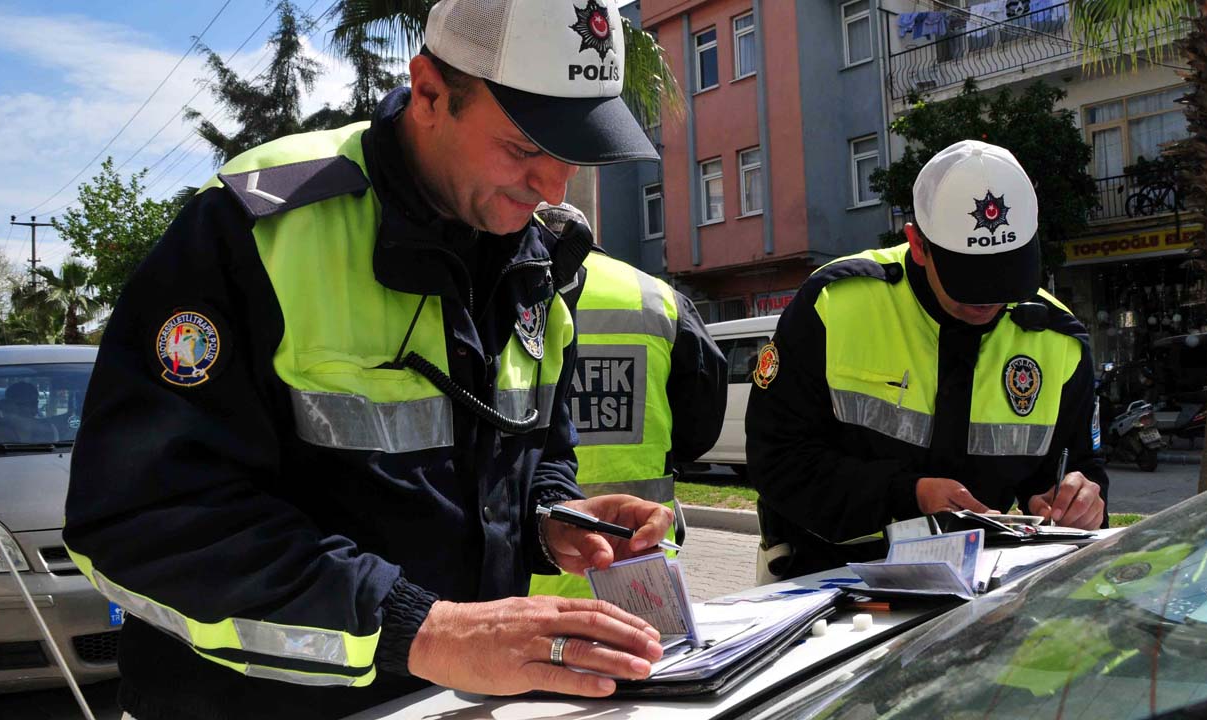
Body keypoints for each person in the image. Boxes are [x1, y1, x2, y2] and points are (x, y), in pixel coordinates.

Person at [62, 2, 679, 718]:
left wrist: (548, 516)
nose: (553, 186)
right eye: (522, 147)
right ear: (428, 93)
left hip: (448, 702)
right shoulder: (255, 229)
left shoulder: (531, 258)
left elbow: (538, 449)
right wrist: (421, 628)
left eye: (573, 154)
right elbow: (142, 519)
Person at [747, 140, 1108, 581]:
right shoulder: (834, 304)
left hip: (980, 587)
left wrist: (1078, 501)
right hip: (825, 577)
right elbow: (776, 459)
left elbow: (1076, 470)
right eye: (971, 279)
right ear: (918, 244)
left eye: (1008, 273)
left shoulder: (1058, 340)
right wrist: (908, 494)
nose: (990, 299)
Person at [529, 202, 727, 598]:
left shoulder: (506, 294)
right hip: (635, 568)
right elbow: (700, 427)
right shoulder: (659, 298)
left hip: (529, 575)